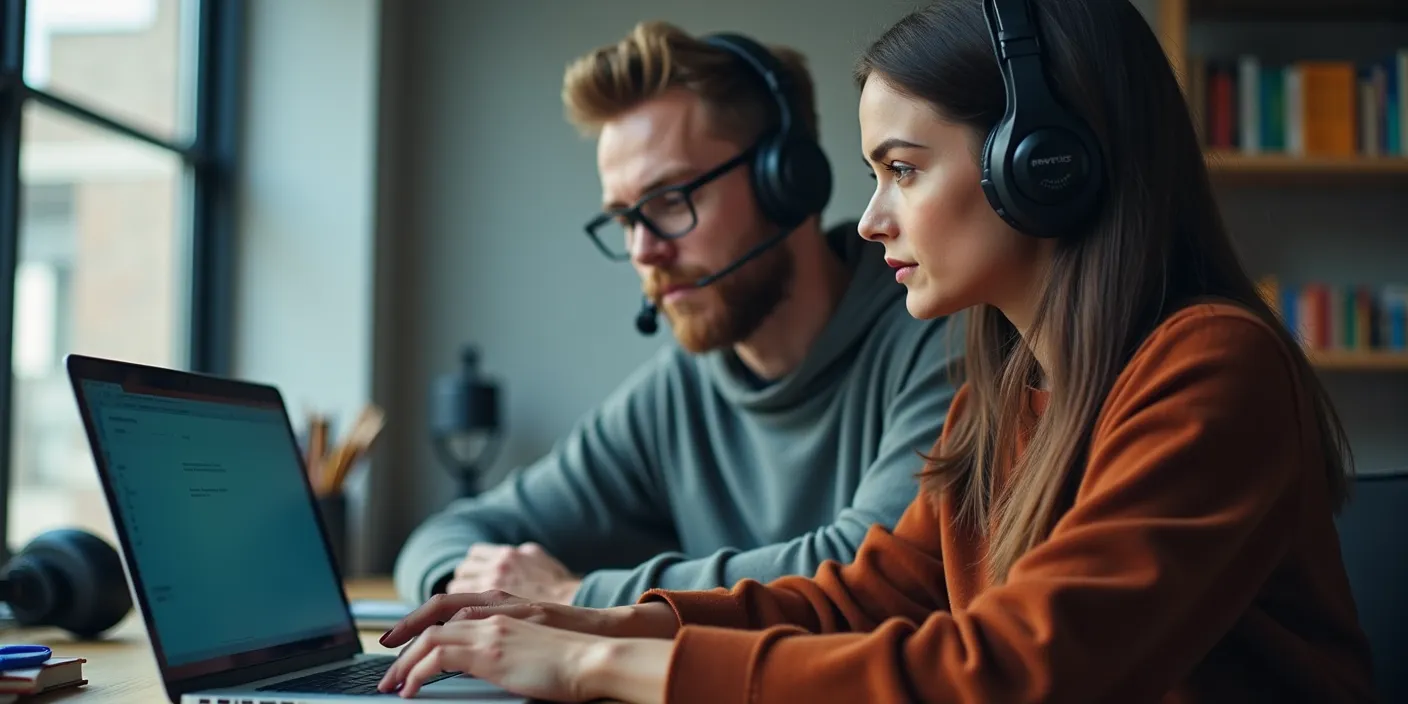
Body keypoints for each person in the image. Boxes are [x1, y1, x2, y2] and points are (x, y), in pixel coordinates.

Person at [375, 0, 1378, 702]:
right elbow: (862, 597)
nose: (870, 219)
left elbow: (1014, 672)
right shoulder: (1008, 392)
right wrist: (598, 625)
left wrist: (597, 665)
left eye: (902, 169)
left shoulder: (1211, 368)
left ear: (1043, 166)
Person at [391, 21, 961, 610]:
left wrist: (575, 595)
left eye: (670, 200)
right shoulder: (674, 397)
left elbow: (874, 573)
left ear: (787, 183)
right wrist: (468, 593)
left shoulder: (947, 335)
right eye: (624, 219)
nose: (644, 251)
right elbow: (444, 536)